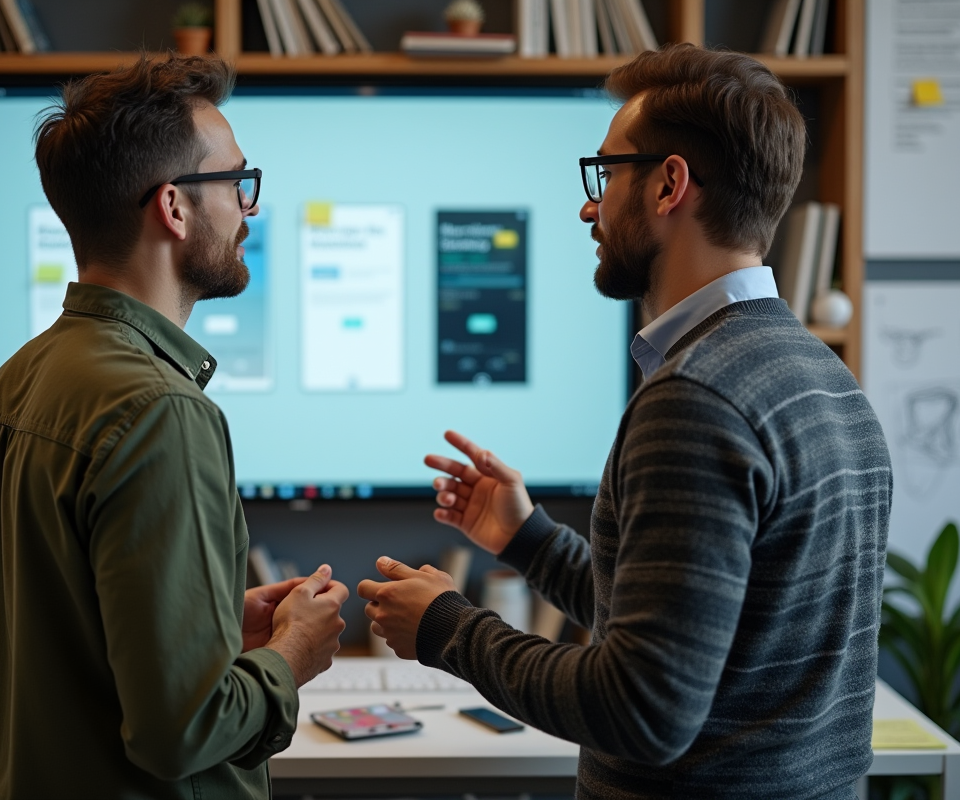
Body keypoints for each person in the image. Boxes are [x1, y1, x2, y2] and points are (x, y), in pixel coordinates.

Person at [359, 44, 891, 798]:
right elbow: (697, 632)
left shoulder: (698, 398)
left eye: (605, 174)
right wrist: (529, 540)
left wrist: (448, 629)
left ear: (670, 183)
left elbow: (640, 710)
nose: (589, 204)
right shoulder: (822, 377)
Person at [0, 54, 347, 800]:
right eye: (237, 183)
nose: (250, 208)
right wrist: (289, 656)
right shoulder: (163, 413)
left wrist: (208, 631)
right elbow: (182, 733)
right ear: (174, 207)